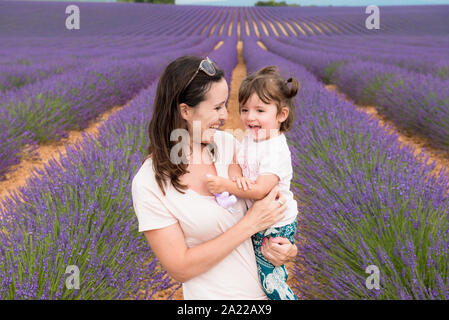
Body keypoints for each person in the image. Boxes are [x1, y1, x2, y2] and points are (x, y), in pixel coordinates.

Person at [131, 56, 298, 300]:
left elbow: (272, 209)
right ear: (185, 111)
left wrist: (288, 250)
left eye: (225, 107)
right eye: (217, 107)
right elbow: (180, 267)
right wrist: (250, 224)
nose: (224, 116)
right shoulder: (149, 183)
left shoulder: (228, 145)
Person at [205, 66, 300, 300]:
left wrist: (227, 185)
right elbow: (237, 162)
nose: (250, 117)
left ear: (281, 115)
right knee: (265, 273)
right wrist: (236, 176)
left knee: (270, 281)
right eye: (245, 109)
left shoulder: (276, 150)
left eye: (260, 110)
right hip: (260, 222)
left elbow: (259, 191)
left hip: (276, 225)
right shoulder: (251, 138)